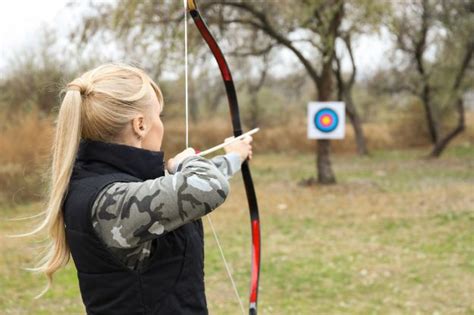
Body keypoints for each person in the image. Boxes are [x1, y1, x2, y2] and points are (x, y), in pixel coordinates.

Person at [26, 63, 253, 314]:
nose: (161, 125)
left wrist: (234, 157)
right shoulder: (110, 201)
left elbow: (176, 189)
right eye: (160, 116)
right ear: (140, 125)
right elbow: (207, 187)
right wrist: (188, 161)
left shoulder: (100, 181)